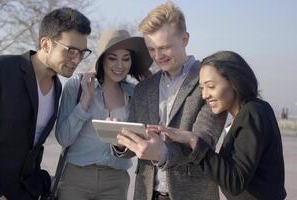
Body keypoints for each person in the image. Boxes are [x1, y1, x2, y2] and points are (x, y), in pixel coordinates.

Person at [0, 7, 91, 200]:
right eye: (71, 51)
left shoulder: (57, 87)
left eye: (82, 53)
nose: (77, 59)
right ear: (46, 44)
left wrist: (39, 186)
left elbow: (34, 144)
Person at [113, 2, 227, 200]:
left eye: (164, 47)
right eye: (151, 49)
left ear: (185, 39)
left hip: (193, 194)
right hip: (147, 193)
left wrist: (162, 152)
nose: (158, 56)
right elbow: (135, 145)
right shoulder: (143, 89)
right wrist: (122, 142)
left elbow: (204, 141)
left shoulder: (209, 82)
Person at [155, 51, 286, 200]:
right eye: (202, 88)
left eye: (211, 86)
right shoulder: (249, 113)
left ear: (234, 81)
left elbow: (235, 182)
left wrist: (193, 141)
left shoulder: (252, 112)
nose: (204, 95)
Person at [55, 29, 152, 200]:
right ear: (102, 59)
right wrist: (85, 101)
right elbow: (64, 138)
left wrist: (148, 89)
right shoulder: (77, 85)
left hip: (115, 181)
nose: (119, 65)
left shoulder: (134, 93)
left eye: (126, 59)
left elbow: (142, 141)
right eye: (112, 58)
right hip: (76, 178)